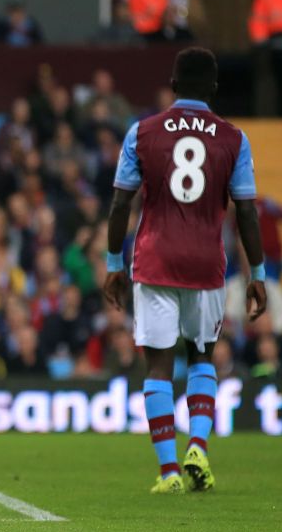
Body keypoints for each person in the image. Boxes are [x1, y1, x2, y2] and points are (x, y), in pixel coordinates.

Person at [103, 47, 267, 495]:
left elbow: (121, 203)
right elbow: (247, 213)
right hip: (207, 264)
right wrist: (259, 273)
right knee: (201, 356)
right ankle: (198, 446)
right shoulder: (233, 138)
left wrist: (114, 263)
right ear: (214, 88)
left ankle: (169, 471)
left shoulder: (143, 132)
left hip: (155, 260)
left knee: (158, 364)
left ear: (173, 85)